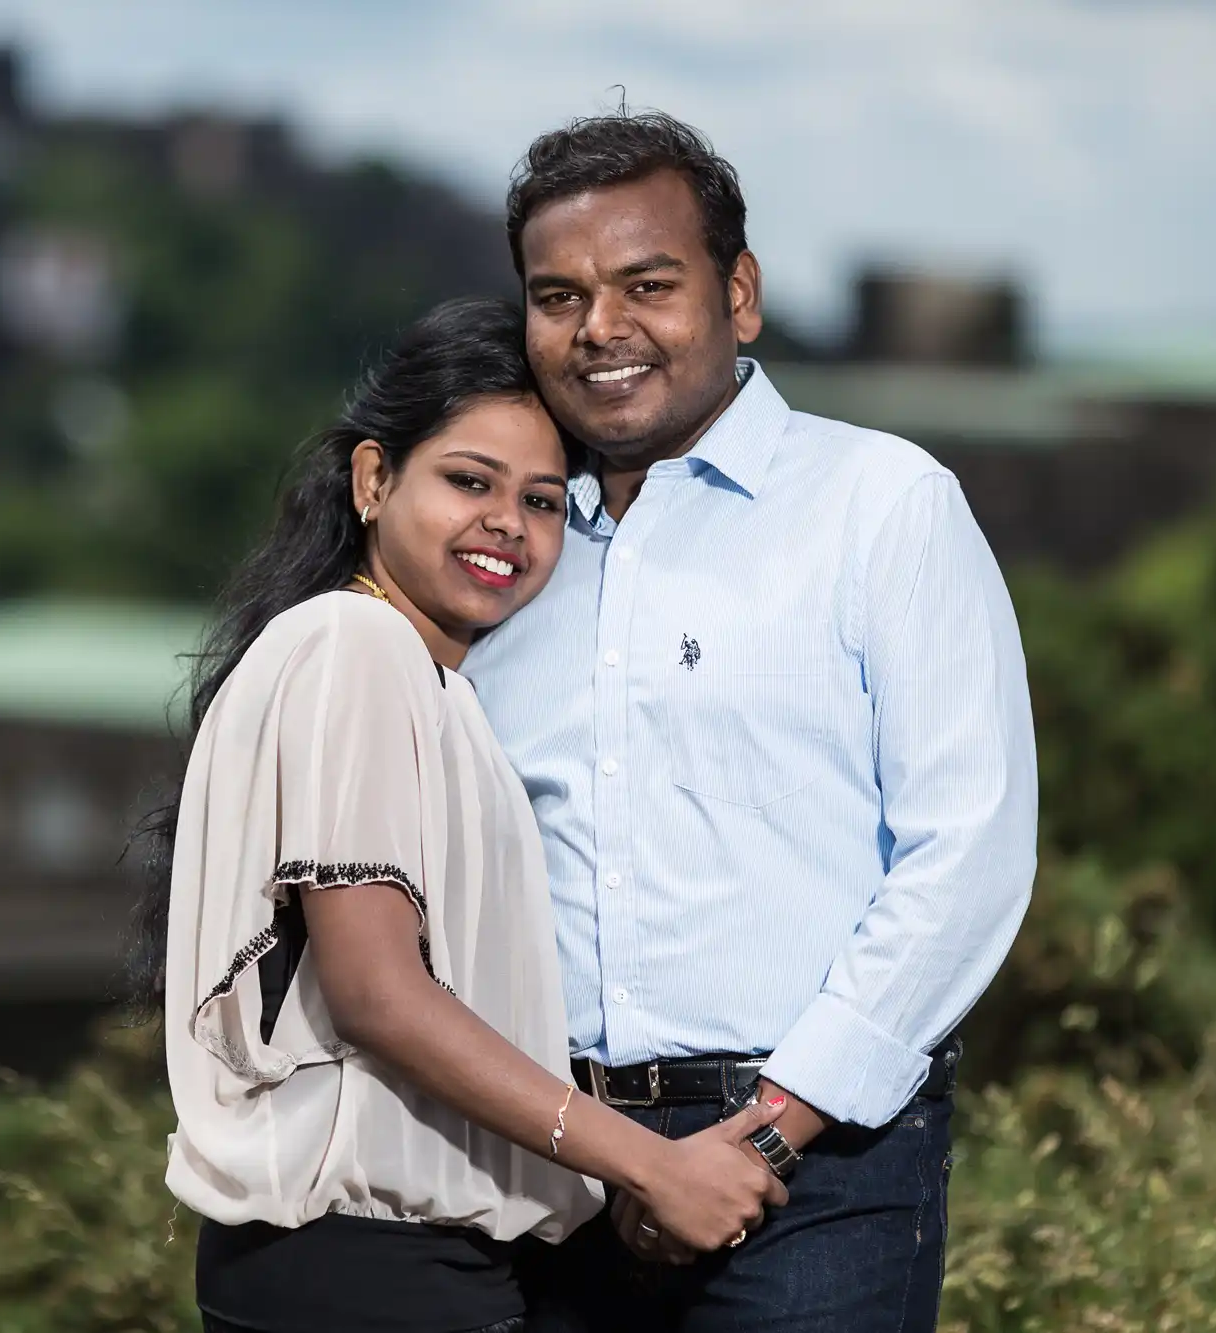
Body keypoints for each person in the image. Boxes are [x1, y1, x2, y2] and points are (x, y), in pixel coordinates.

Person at [461, 111, 1039, 1332]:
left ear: (739, 295)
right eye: (556, 295)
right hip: (550, 1173)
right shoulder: (511, 550)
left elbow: (965, 854)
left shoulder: (881, 506)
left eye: (646, 285)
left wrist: (772, 1130)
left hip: (822, 1169)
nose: (599, 328)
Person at [137, 297, 789, 1333]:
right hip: (369, 1270)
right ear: (370, 479)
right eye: (466, 481)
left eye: (540, 501)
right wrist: (646, 1164)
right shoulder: (359, 650)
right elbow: (376, 993)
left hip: (363, 1268)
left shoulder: (419, 678)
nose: (506, 525)